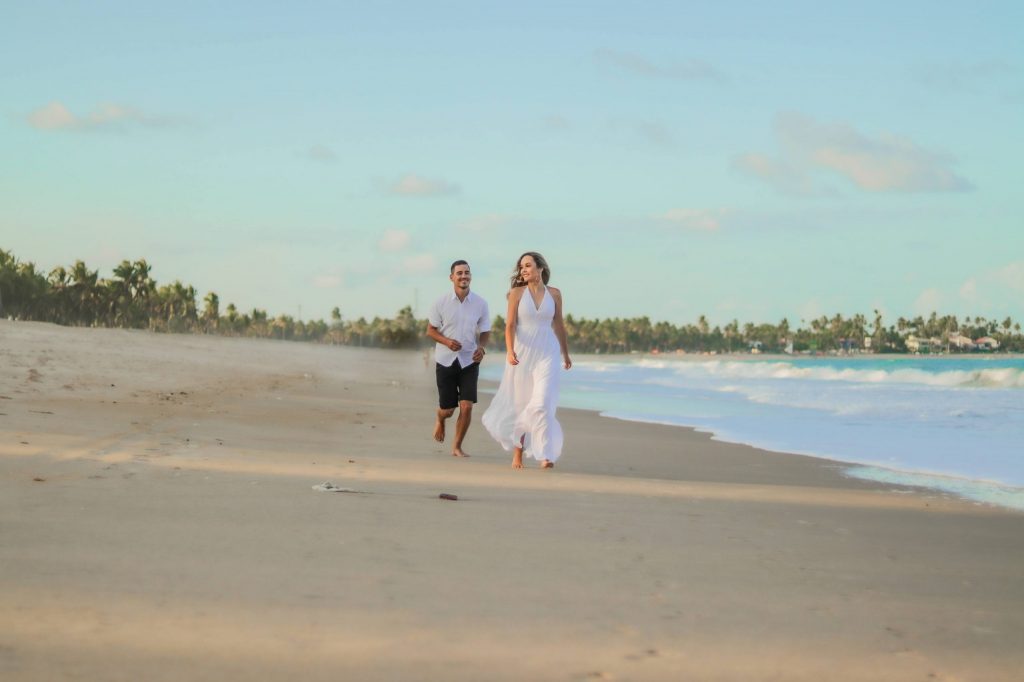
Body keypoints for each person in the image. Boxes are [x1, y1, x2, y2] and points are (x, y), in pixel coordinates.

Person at [482, 252, 572, 469]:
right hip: (522, 353)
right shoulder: (516, 293)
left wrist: (565, 353)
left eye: (528, 265)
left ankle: (545, 454)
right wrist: (510, 351)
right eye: (521, 267)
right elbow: (510, 325)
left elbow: (558, 325)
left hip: (547, 352)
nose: (523, 270)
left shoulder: (555, 294)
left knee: (541, 403)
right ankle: (518, 453)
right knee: (521, 403)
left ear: (540, 268)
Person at [426, 260, 491, 457]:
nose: (464, 276)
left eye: (467, 273)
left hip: (469, 360)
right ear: (452, 277)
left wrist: (481, 347)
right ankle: (440, 417)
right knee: (449, 410)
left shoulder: (481, 303)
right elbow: (430, 331)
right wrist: (446, 341)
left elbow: (486, 330)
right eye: (459, 273)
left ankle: (456, 446)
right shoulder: (440, 302)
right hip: (445, 360)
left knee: (467, 405)